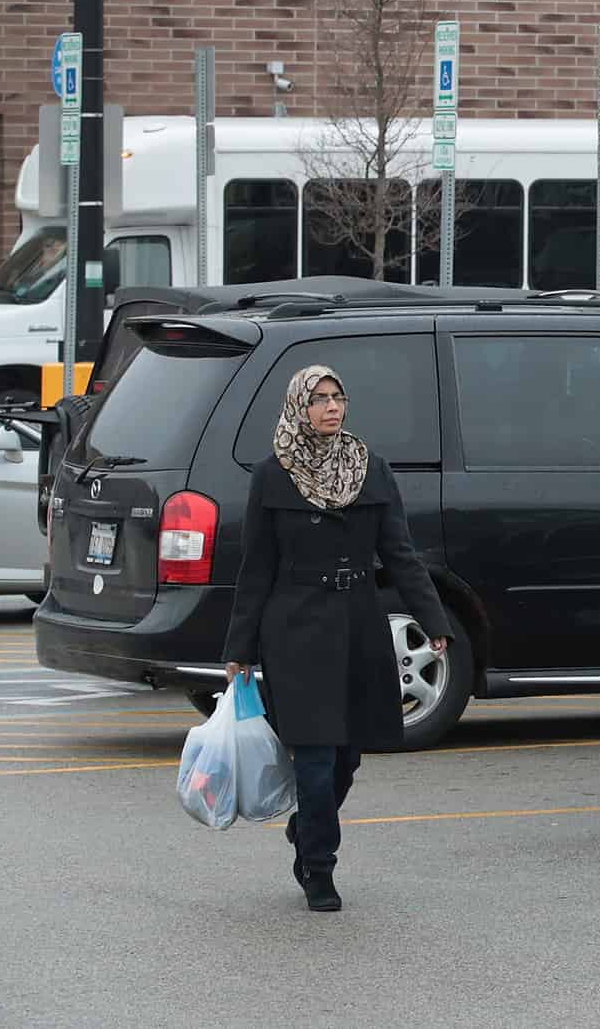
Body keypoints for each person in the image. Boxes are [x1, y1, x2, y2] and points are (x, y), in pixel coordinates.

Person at [222, 364, 450, 912]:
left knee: (347, 756)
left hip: (357, 623)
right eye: (319, 399)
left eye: (337, 397)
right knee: (315, 756)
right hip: (295, 628)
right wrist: (239, 649)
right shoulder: (272, 475)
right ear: (300, 407)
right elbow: (256, 567)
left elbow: (400, 552)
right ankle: (318, 867)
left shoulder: (371, 470)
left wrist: (433, 621)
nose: (331, 407)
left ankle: (306, 826)